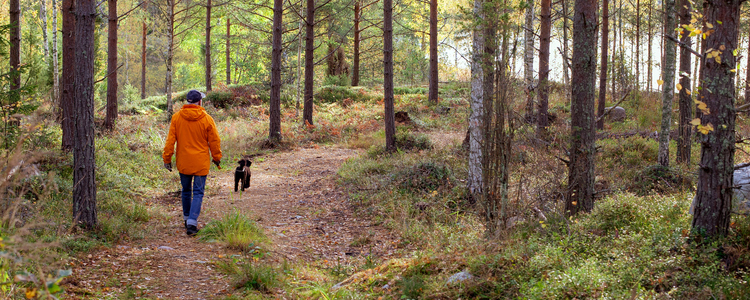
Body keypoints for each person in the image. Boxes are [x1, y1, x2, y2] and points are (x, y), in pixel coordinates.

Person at [163, 90, 222, 236]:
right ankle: (192, 221)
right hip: (200, 163)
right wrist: (216, 157)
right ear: (199, 102)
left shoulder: (177, 118)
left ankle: (186, 218)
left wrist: (167, 159)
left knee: (186, 190)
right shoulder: (207, 119)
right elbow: (214, 141)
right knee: (198, 192)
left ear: (188, 102)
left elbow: (170, 141)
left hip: (184, 162)